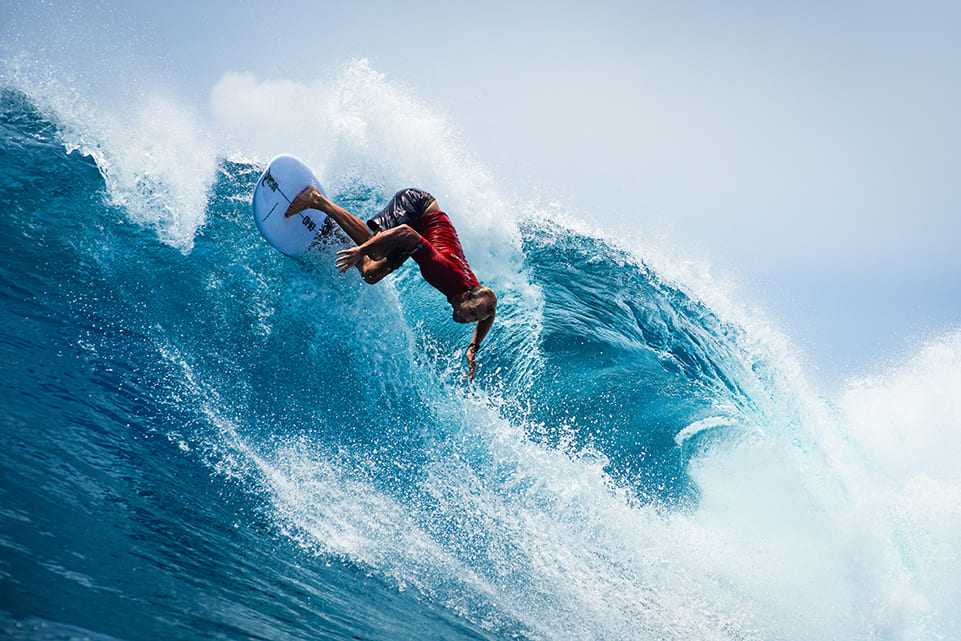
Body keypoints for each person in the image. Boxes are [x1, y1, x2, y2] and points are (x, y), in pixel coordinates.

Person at [285, 187, 496, 381]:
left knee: (371, 274)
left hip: (419, 236)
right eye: (473, 314)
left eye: (474, 318)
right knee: (375, 251)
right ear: (467, 296)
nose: (470, 321)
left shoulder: (475, 294)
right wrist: (363, 250)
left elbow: (489, 313)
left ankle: (335, 233)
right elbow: (406, 232)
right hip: (417, 208)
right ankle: (317, 200)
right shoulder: (445, 272)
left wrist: (473, 347)